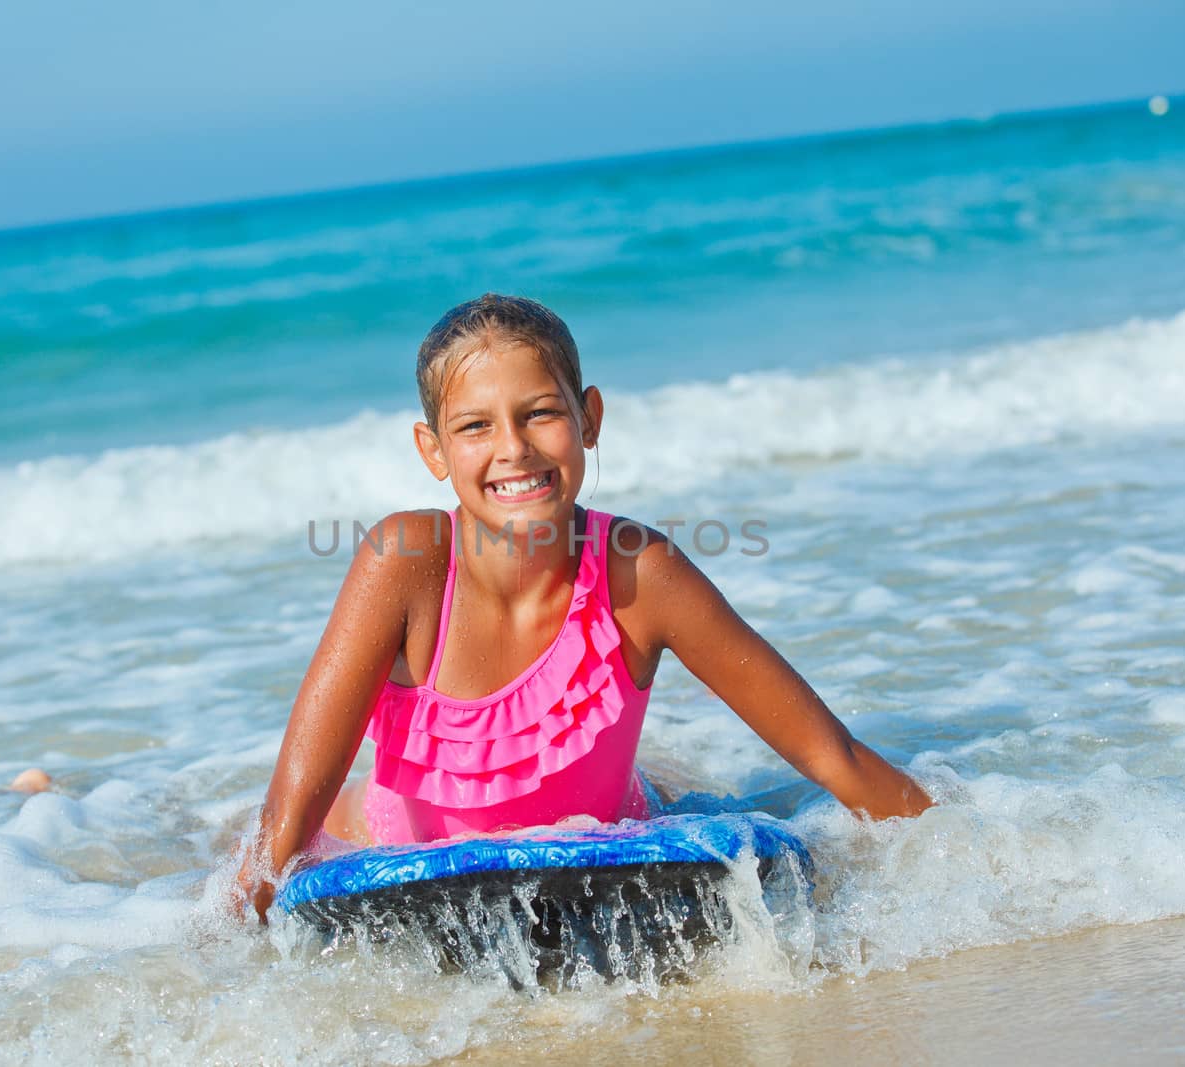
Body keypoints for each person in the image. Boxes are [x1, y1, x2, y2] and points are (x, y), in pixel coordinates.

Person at [236, 294, 931, 921]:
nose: (513, 448)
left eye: (540, 411)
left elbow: (829, 752)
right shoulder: (406, 564)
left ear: (588, 417)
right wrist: (221, 961)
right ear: (434, 450)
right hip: (390, 853)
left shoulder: (639, 574)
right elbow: (289, 819)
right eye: (475, 425)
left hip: (603, 843)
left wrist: (978, 864)